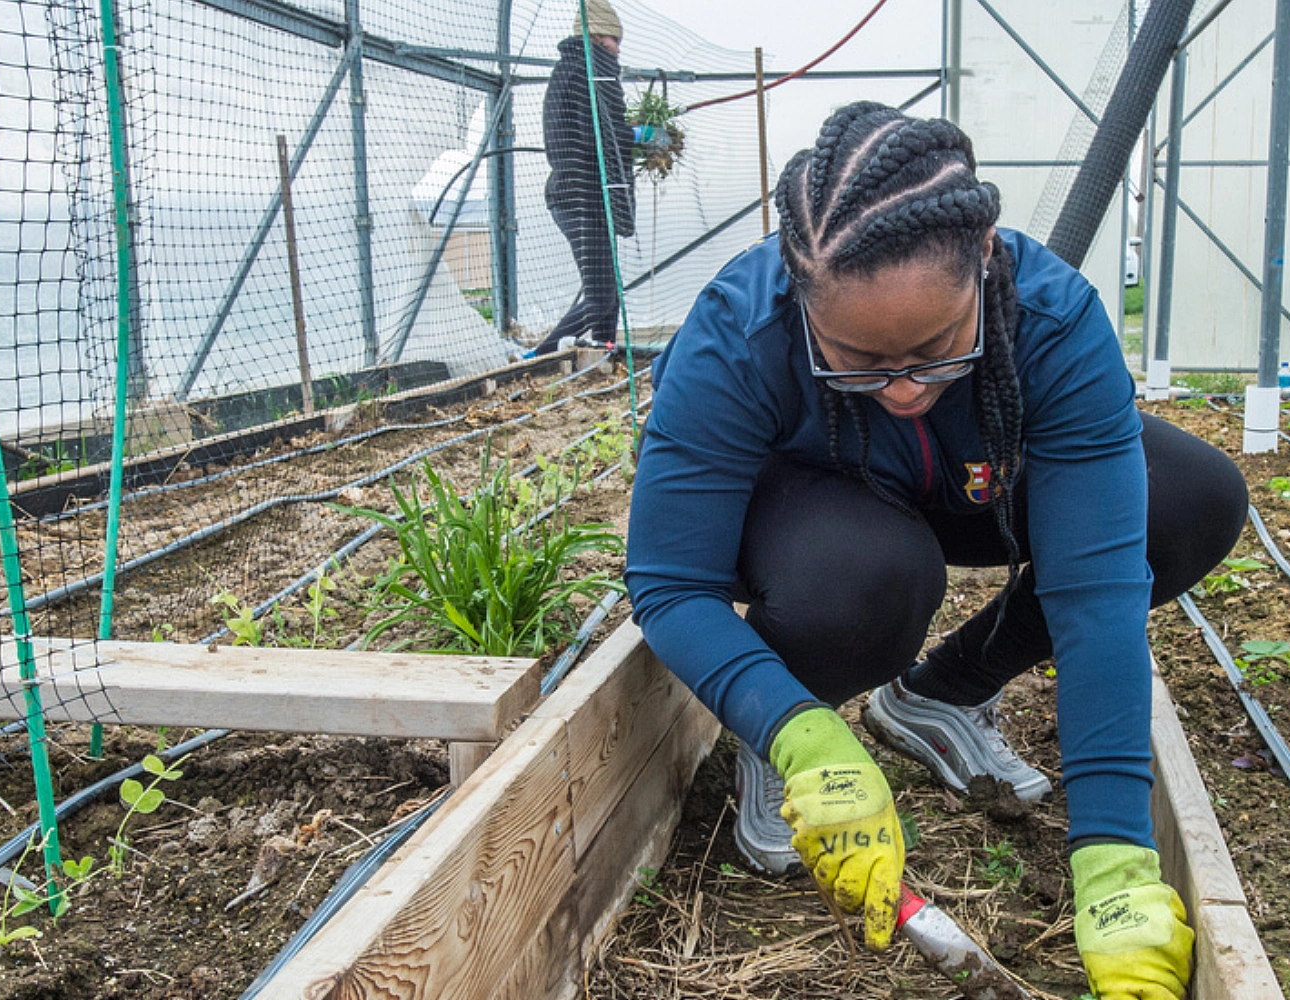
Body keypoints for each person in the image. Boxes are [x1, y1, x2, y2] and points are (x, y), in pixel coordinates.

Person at [626, 102, 1248, 1000]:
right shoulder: (737, 332)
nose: (907, 389)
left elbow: (1096, 596)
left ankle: (938, 696)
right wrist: (799, 733)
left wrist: (1117, 858)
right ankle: (795, 728)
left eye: (935, 350)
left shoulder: (1050, 317)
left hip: (977, 482)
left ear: (985, 255)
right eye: (859, 362)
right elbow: (671, 581)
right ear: (801, 297)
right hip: (819, 511)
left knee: (1188, 498)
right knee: (866, 577)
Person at [530, 0, 635, 356]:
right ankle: (539, 356)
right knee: (600, 293)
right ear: (594, 36)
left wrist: (625, 135)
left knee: (608, 290)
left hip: (589, 194)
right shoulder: (583, 73)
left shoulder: (584, 70)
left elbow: (597, 131)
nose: (617, 49)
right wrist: (631, 137)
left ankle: (604, 349)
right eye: (612, 39)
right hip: (577, 196)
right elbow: (594, 137)